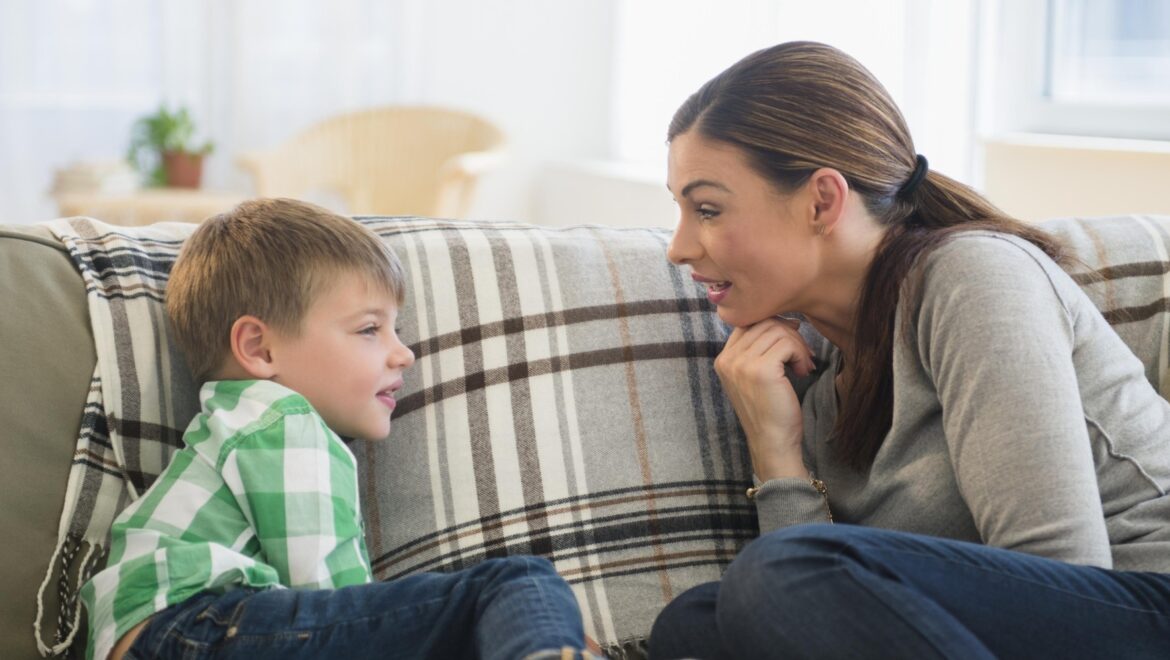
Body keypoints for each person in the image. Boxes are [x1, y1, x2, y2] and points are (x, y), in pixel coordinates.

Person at [649, 41, 1170, 659]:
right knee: (696, 622)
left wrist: (794, 575)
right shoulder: (816, 385)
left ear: (822, 200)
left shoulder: (971, 277)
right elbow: (811, 629)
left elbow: (1060, 574)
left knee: (781, 574)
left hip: (1133, 607)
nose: (678, 248)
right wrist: (777, 453)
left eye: (707, 209)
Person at [80, 198, 596, 660]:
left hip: (167, 633)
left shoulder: (233, 423)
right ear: (260, 349)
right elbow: (336, 598)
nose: (404, 352)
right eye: (370, 329)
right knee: (520, 582)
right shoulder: (283, 421)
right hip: (189, 629)